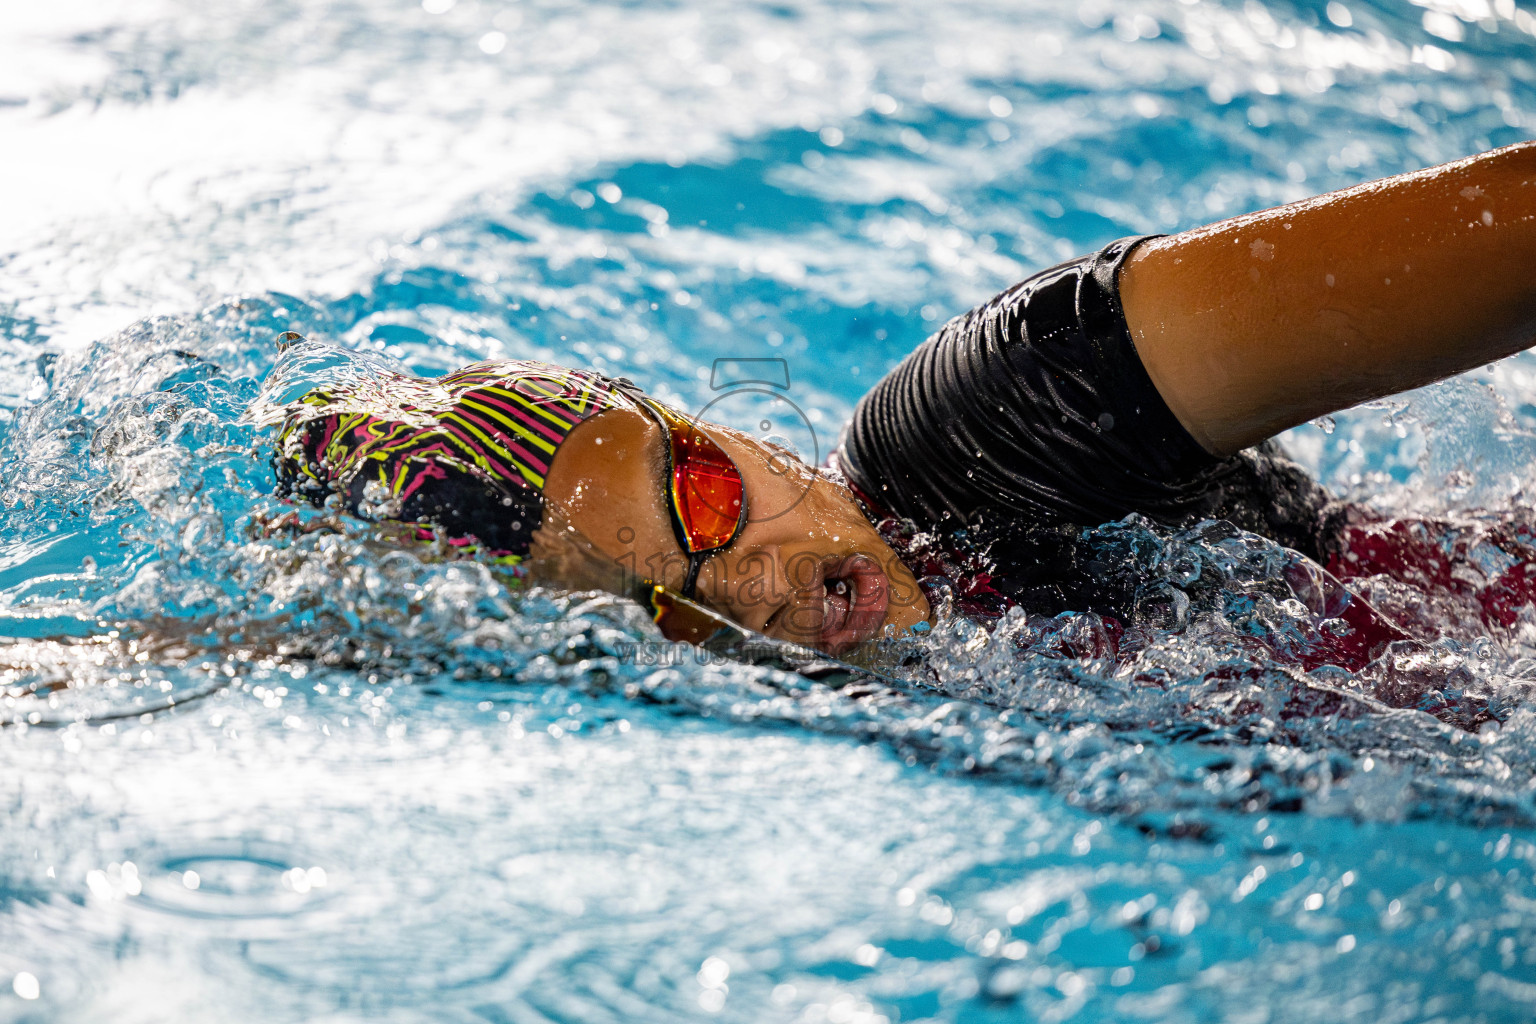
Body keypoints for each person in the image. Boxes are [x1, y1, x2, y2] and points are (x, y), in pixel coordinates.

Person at [271, 142, 1536, 657]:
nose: (750, 588)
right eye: (670, 610)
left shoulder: (994, 422)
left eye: (704, 498)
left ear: (740, 431)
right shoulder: (876, 703)